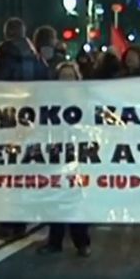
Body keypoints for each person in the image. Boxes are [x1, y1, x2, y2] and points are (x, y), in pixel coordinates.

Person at [0, 17, 50, 240]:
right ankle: (21, 220)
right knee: (25, 171)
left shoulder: (5, 58)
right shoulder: (37, 59)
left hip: (8, 122)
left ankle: (8, 221)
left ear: (7, 33)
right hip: (32, 123)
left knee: (8, 171)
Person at [38, 61, 92, 257]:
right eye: (63, 76)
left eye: (70, 76)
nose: (66, 80)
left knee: (76, 199)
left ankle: (82, 242)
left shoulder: (85, 100)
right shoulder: (50, 100)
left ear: (77, 79)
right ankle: (55, 241)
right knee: (56, 198)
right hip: (56, 154)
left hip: (78, 155)